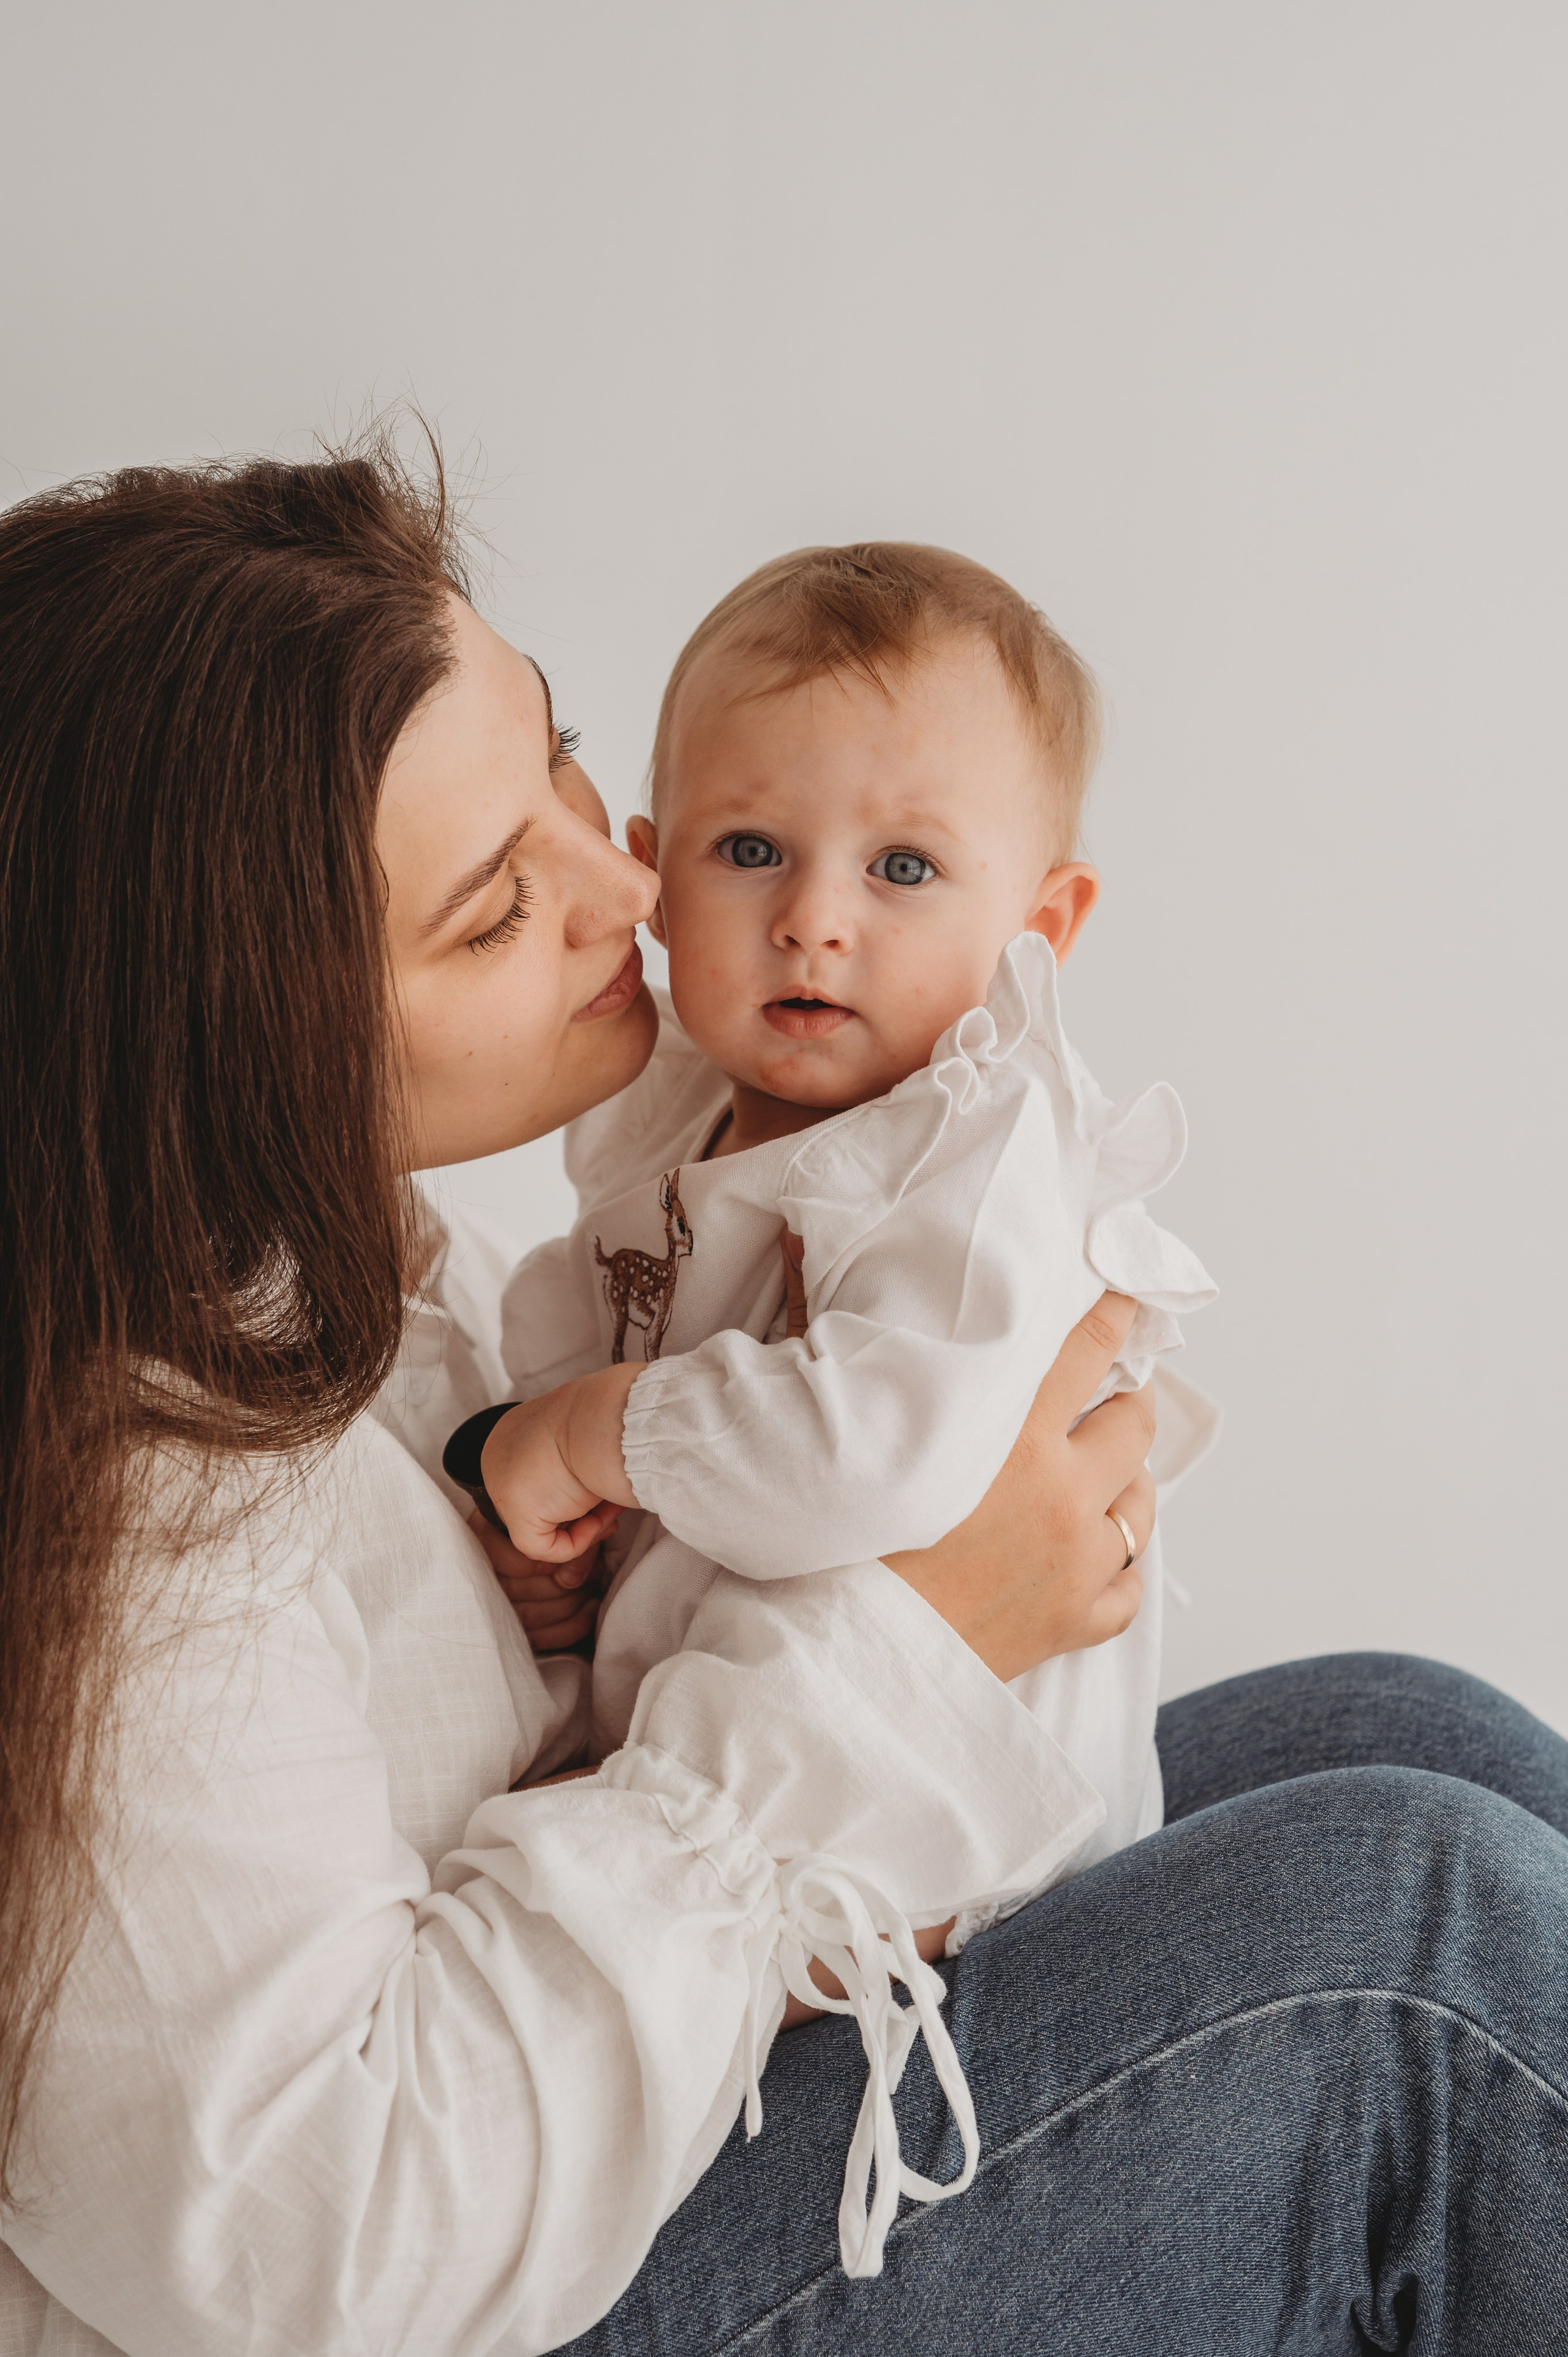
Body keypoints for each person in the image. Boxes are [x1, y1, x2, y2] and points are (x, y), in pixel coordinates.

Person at [1, 444, 1565, 2356]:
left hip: (603, 2085)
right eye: (497, 910)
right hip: (490, 2292)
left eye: (562, 764)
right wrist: (906, 1641)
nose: (626, 881)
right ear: (235, 1039)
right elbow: (316, 2250)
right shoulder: (136, 1513)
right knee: (1424, 1949)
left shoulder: (347, 1276)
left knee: (1419, 1732)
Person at [472, 547, 1216, 1921]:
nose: (813, 920)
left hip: (963, 1855)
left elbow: (883, 1452)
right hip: (739, 1806)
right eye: (748, 851)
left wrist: (585, 1433)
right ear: (653, 875)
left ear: (1034, 929)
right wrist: (544, 1534)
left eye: (903, 867)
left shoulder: (977, 1148)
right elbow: (608, 1311)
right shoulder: (672, 1103)